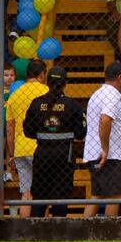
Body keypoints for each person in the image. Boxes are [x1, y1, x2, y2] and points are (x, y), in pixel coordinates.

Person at [22, 67, 79, 213]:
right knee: (61, 194)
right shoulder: (72, 105)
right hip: (64, 154)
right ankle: (60, 231)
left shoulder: (36, 103)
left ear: (47, 82)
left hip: (43, 153)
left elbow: (28, 131)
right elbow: (80, 133)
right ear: (65, 83)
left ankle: (37, 230)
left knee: (40, 194)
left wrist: (45, 133)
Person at [82, 61, 121, 217]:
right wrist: (105, 149)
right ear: (119, 78)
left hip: (96, 152)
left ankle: (83, 232)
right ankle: (109, 232)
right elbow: (105, 119)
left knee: (97, 195)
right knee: (115, 195)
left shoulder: (97, 94)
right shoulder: (111, 95)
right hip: (108, 155)